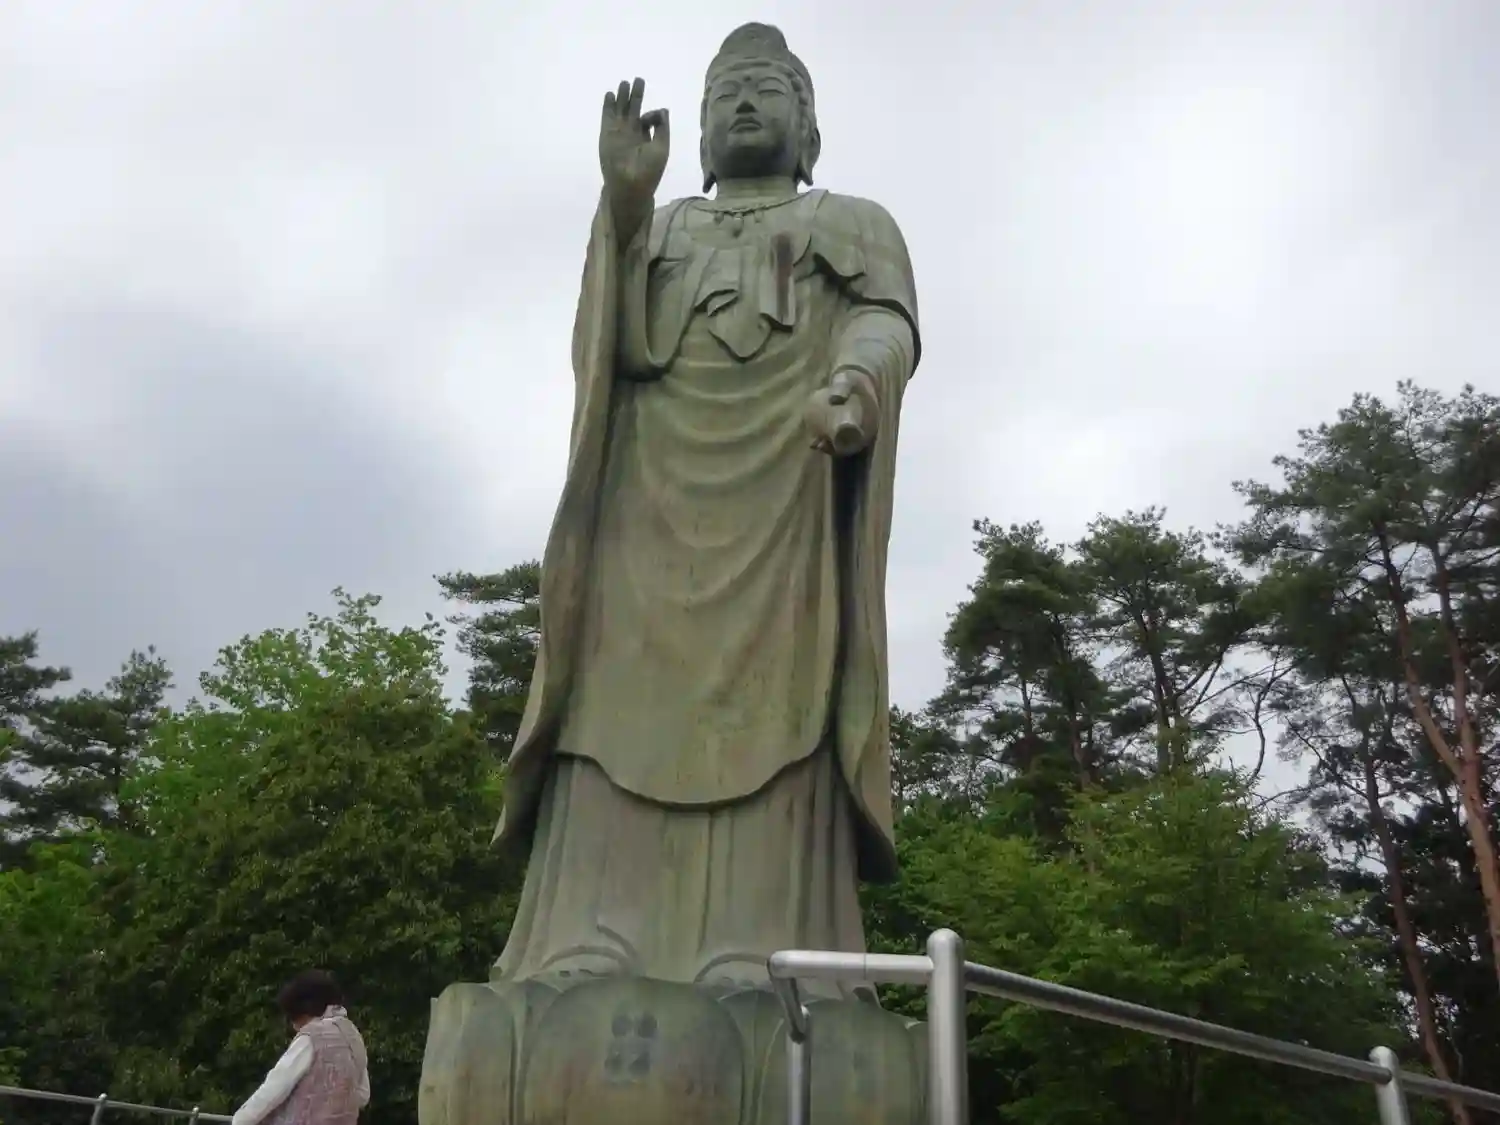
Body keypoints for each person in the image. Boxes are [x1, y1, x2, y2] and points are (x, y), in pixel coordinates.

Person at [492, 23, 920, 997]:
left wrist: (856, 385)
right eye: (726, 91)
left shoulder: (853, 222)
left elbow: (885, 321)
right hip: (646, 507)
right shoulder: (664, 225)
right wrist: (624, 205)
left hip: (784, 497)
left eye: (768, 89)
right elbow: (613, 348)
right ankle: (588, 935)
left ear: (810, 129)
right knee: (610, 701)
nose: (745, 102)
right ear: (697, 131)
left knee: (776, 708)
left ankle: (764, 948)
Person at [231, 970, 370, 1125]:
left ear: (306, 1010)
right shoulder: (352, 1035)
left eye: (293, 1017)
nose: (294, 1026)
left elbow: (276, 1087)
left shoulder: (311, 1037)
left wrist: (241, 1120)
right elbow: (363, 1095)